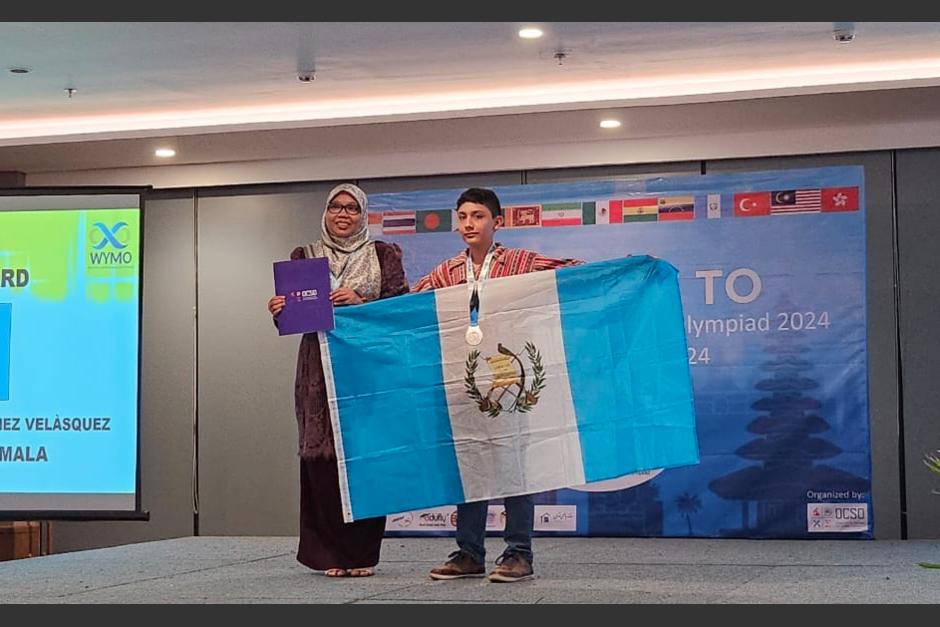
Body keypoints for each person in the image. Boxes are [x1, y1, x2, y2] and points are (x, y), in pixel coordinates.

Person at [411, 187, 582, 583]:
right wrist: (351, 309)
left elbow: (573, 271)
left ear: (497, 222)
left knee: (514, 468)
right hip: (465, 381)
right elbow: (405, 306)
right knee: (469, 465)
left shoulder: (521, 262)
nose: (469, 223)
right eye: (463, 216)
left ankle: (519, 553)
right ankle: (469, 552)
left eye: (479, 216)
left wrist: (629, 270)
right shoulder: (447, 272)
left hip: (510, 380)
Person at [268, 183, 409, 578]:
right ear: (326, 213)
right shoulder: (304, 257)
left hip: (367, 367)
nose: (343, 215)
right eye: (336, 207)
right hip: (319, 368)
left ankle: (361, 553)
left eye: (351, 208)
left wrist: (362, 304)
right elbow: (292, 317)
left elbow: (401, 309)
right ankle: (329, 553)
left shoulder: (383, 255)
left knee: (365, 459)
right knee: (322, 460)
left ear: (363, 215)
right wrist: (279, 309)